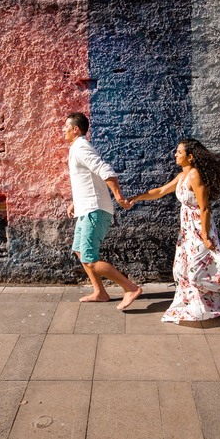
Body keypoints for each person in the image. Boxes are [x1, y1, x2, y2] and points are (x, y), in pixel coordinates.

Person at [122, 138, 220, 322]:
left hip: (200, 230)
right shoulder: (182, 176)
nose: (175, 155)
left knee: (198, 273)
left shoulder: (194, 176)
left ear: (190, 157)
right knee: (181, 270)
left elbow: (205, 208)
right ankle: (203, 303)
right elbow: (160, 191)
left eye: (179, 152)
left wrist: (206, 237)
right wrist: (136, 198)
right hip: (187, 232)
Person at [63, 112, 143, 307]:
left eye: (66, 127)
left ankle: (130, 288)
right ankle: (100, 292)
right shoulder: (77, 148)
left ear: (76, 129)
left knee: (90, 259)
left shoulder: (81, 147)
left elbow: (106, 171)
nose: (63, 130)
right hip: (86, 209)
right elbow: (87, 179)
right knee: (80, 251)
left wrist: (119, 197)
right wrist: (75, 202)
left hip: (94, 210)